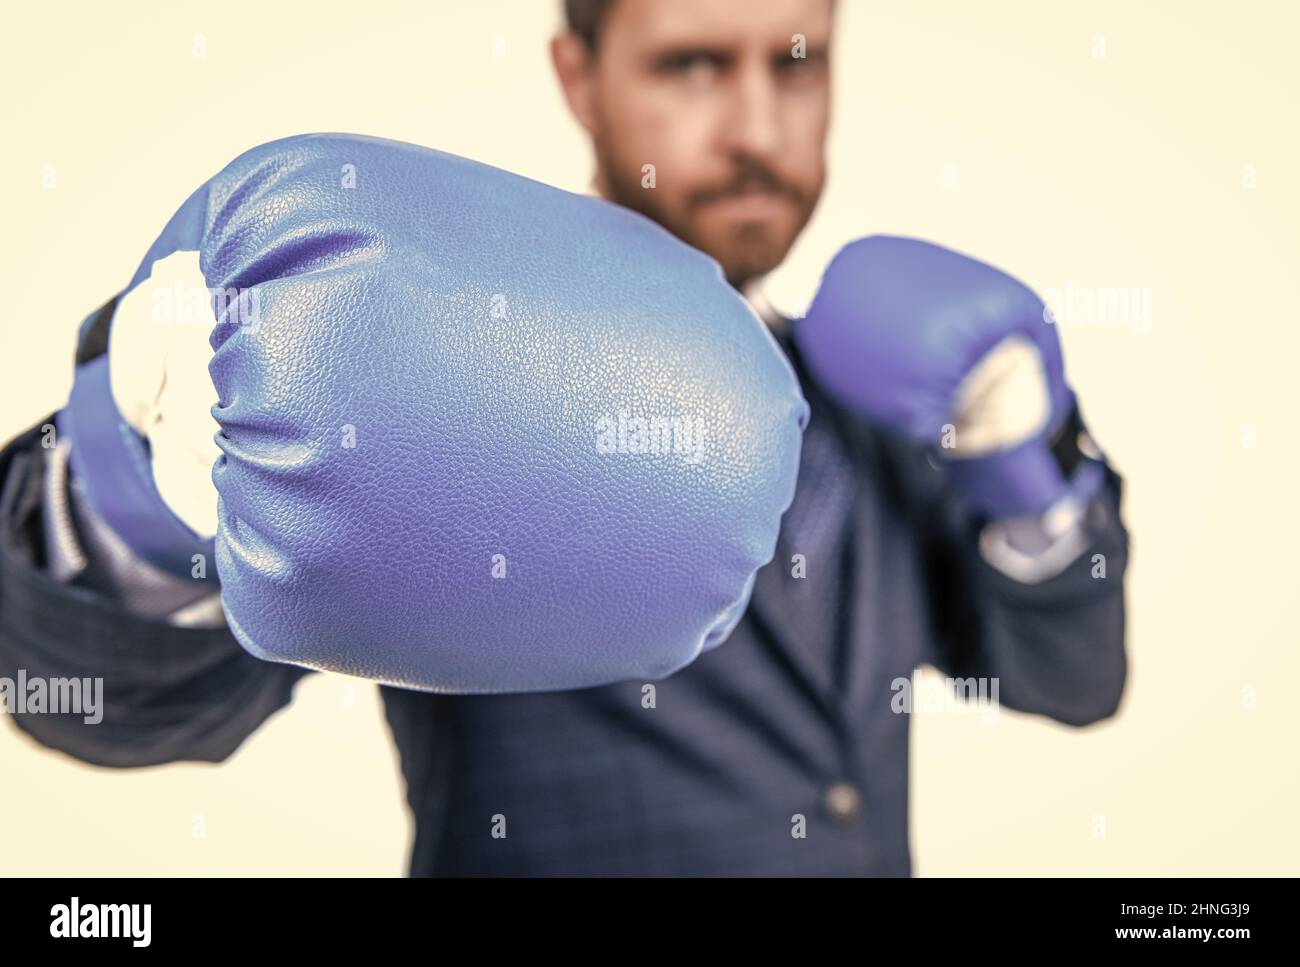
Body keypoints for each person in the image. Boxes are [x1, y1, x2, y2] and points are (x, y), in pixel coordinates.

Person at [0, 0, 1127, 875]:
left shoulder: (882, 393)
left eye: (794, 62)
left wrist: (1022, 467)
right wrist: (138, 493)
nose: (755, 127)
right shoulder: (434, 346)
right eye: (690, 64)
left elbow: (1071, 684)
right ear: (577, 77)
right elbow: (110, 708)